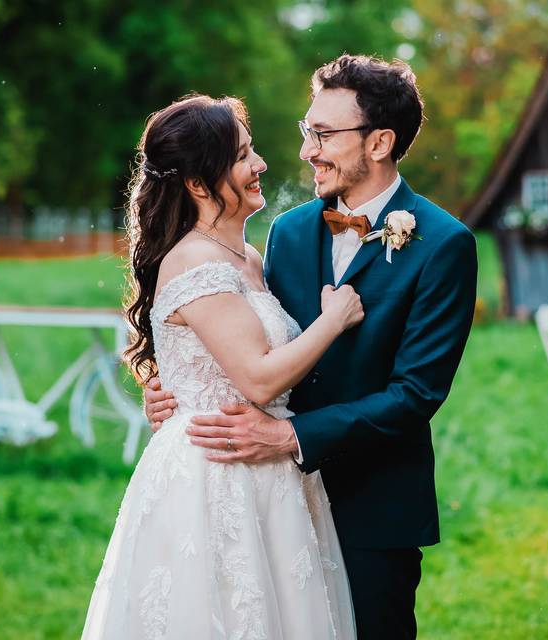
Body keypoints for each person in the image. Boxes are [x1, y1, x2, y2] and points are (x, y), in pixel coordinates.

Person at [145, 55, 478, 639]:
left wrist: (292, 436)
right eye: (307, 131)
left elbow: (415, 394)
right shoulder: (288, 231)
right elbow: (246, 337)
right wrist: (174, 388)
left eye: (323, 135)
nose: (306, 150)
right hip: (271, 502)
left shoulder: (444, 244)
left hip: (374, 506)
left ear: (379, 143)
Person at [81, 94, 361, 639]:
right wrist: (334, 319)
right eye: (241, 157)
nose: (259, 165)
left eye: (252, 151)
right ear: (197, 183)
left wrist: (172, 387)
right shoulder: (194, 260)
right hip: (214, 475)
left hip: (271, 471)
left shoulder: (247, 258)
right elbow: (256, 375)